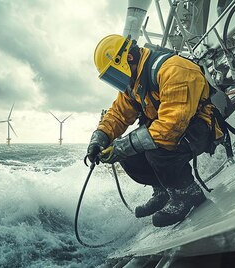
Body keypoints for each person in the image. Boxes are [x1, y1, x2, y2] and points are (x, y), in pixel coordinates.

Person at [87, 34, 224, 227]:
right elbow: (118, 115)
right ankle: (163, 191)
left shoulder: (173, 70)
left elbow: (170, 128)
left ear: (129, 59)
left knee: (154, 151)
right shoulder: (133, 84)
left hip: (200, 128)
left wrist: (123, 146)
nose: (117, 81)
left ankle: (187, 193)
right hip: (173, 130)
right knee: (129, 155)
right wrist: (99, 139)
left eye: (115, 73)